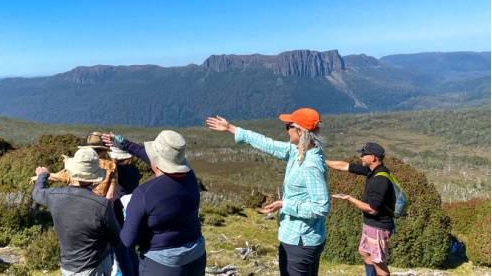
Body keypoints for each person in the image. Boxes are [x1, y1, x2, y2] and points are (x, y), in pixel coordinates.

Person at [206, 108, 329, 276]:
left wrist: (285, 204)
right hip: (300, 238)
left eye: (288, 126)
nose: (286, 130)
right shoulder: (299, 151)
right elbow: (268, 144)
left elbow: (321, 207)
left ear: (300, 131)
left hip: (300, 241)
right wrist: (231, 128)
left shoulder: (310, 164)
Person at [101, 130, 206, 276]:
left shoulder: (145, 194)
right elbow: (147, 155)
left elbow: (127, 241)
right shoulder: (190, 177)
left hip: (163, 266)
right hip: (197, 256)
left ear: (156, 161)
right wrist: (122, 142)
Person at [32, 148, 122, 276]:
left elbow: (37, 193)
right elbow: (116, 240)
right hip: (96, 267)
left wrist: (42, 175)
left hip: (68, 268)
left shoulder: (54, 196)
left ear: (73, 171)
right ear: (95, 177)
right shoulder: (102, 205)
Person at [326, 142, 395, 276]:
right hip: (371, 224)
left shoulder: (380, 179)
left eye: (364, 154)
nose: (361, 157)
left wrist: (349, 198)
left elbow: (372, 209)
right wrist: (321, 160)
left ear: (373, 157)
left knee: (379, 263)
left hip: (379, 227)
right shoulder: (371, 170)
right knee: (364, 252)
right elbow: (345, 166)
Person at [108, 146, 140, 276]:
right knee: (130, 248)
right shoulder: (134, 170)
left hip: (119, 210)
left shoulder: (115, 171)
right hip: (131, 210)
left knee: (120, 250)